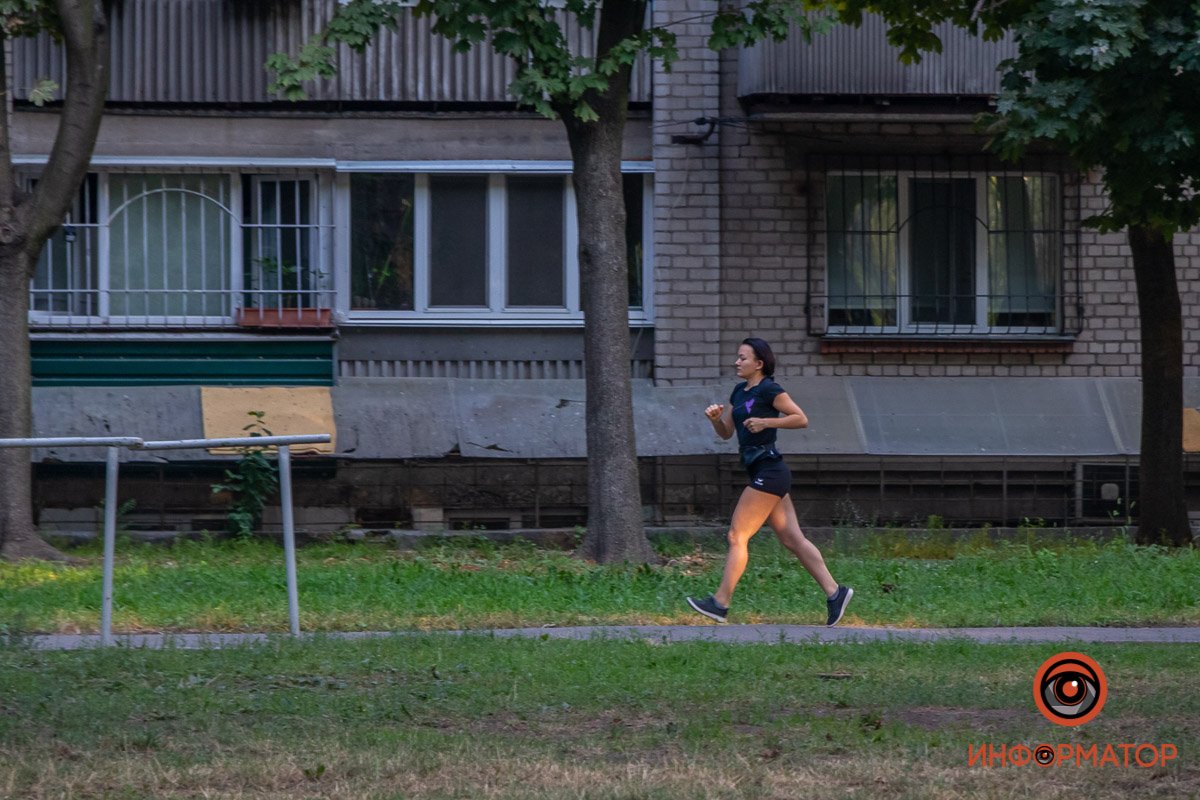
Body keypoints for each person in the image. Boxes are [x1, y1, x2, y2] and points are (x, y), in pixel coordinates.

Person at [686, 337, 853, 626]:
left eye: (742, 358)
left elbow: (800, 418)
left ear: (759, 363)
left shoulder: (770, 390)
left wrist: (767, 422)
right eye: (737, 358)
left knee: (737, 536)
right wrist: (715, 419)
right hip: (762, 470)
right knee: (792, 538)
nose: (737, 362)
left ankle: (720, 603)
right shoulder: (739, 392)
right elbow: (727, 433)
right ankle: (835, 592)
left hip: (770, 470)